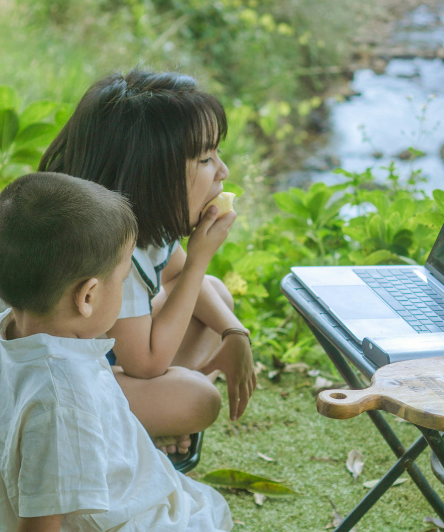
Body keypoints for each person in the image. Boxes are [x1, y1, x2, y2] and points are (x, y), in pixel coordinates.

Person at [0, 172, 233, 532]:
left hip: (124, 490)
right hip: (125, 522)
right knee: (207, 515)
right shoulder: (62, 400)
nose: (125, 291)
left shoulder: (1, 331)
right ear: (87, 297)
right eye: (121, 281)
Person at [37, 69, 257, 454]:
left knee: (216, 299)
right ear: (153, 172)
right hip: (42, 387)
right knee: (199, 400)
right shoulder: (109, 245)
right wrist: (201, 257)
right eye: (206, 158)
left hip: (95, 358)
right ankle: (144, 428)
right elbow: (148, 365)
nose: (223, 171)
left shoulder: (142, 211)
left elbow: (175, 275)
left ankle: (147, 420)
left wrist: (235, 332)